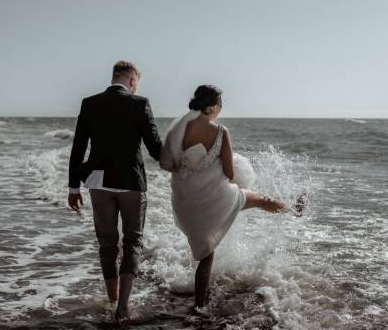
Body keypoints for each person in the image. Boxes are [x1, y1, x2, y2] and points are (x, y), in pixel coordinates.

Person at [160, 85, 285, 308]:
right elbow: (229, 172)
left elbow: (169, 164)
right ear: (214, 106)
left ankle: (199, 306)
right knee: (259, 199)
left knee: (204, 254)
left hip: (184, 202)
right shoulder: (220, 131)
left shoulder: (180, 128)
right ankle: (293, 209)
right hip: (215, 198)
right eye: (220, 105)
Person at [67, 60, 162, 321]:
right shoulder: (140, 103)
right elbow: (155, 149)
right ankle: (123, 306)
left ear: (114, 78)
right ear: (132, 80)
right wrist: (181, 160)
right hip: (131, 183)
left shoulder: (90, 103)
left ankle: (112, 300)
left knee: (107, 244)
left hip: (98, 183)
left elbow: (78, 147)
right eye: (136, 83)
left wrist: (73, 186)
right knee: (133, 241)